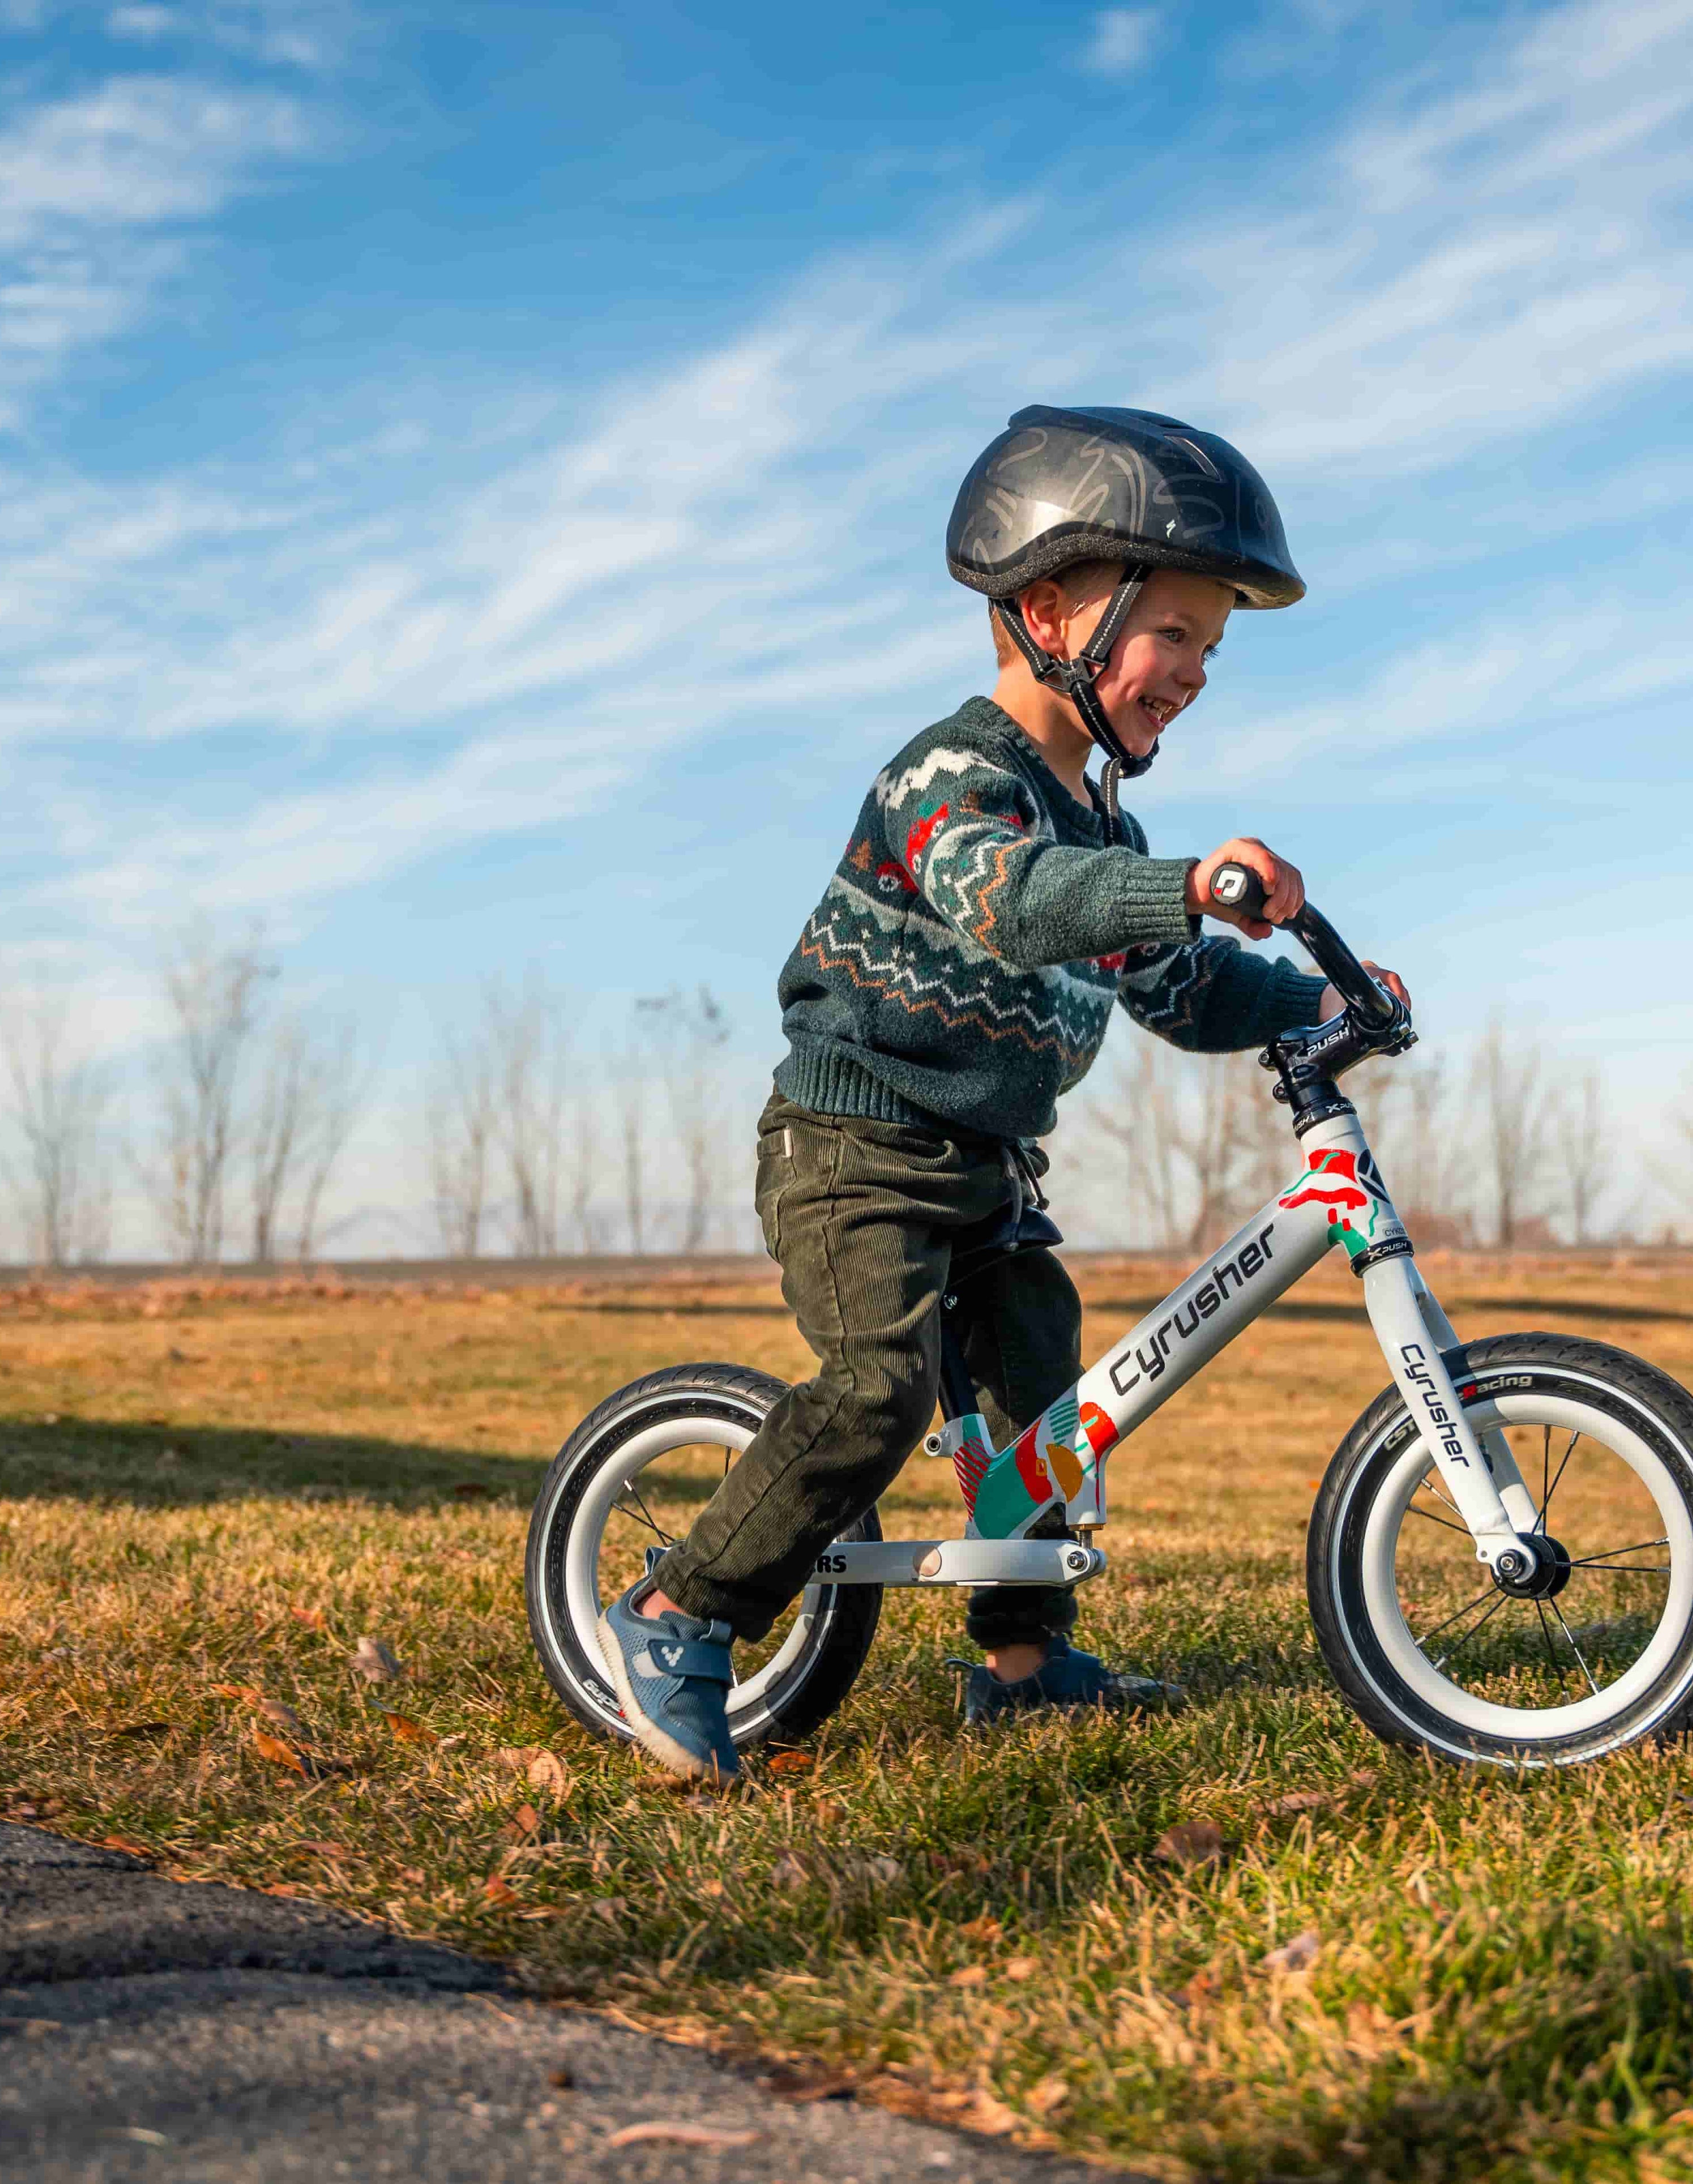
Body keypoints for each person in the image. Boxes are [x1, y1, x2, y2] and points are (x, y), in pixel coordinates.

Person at [602, 406, 1411, 1782]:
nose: (1199, 673)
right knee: (876, 1389)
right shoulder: (949, 779)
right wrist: (1193, 885)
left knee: (1047, 1404)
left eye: (1216, 648)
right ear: (1052, 613)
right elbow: (1016, 902)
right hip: (854, 1148)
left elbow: (1184, 993)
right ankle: (680, 1611)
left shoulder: (1110, 827)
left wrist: (1317, 1002)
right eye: (1178, 636)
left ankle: (1024, 1666)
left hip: (988, 1169)